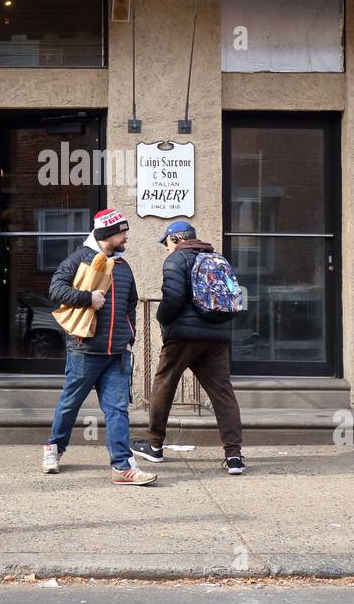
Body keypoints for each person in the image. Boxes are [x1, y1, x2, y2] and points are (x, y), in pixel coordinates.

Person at [42, 208, 157, 486]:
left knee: (118, 410)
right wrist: (87, 298)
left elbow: (131, 304)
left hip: (116, 354)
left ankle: (122, 466)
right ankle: (53, 448)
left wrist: (128, 337)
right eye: (122, 232)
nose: (126, 236)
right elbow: (55, 290)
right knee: (70, 404)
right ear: (108, 234)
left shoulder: (123, 266)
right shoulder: (79, 259)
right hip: (85, 350)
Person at [133, 220, 246, 475]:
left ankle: (154, 445)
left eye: (166, 243)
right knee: (222, 393)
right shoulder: (215, 258)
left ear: (176, 239)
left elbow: (173, 299)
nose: (165, 248)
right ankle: (234, 456)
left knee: (164, 383)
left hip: (183, 337)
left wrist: (161, 318)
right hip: (216, 336)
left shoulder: (176, 260)